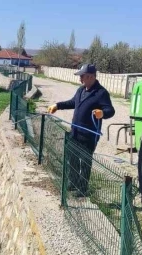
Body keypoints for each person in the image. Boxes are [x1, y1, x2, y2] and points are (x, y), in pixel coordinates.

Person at [47, 64, 115, 197]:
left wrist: (102, 113)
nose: (80, 79)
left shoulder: (101, 93)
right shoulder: (81, 90)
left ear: (90, 77)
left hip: (88, 135)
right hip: (75, 132)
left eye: (82, 77)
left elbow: (110, 110)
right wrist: (58, 105)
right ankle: (72, 183)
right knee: (72, 158)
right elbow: (73, 102)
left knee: (84, 162)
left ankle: (82, 189)